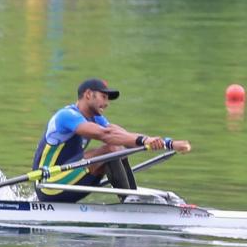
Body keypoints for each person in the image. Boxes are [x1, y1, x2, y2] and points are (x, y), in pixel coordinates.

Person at [32, 78, 191, 201]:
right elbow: (107, 136)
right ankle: (129, 201)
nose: (106, 103)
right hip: (48, 184)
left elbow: (122, 136)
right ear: (88, 94)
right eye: (103, 97)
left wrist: (166, 143)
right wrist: (145, 141)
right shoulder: (66, 116)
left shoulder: (96, 118)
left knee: (117, 150)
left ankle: (130, 197)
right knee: (111, 149)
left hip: (66, 180)